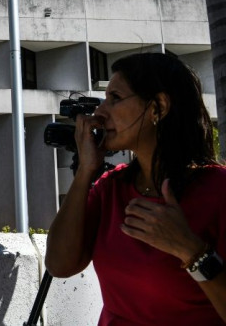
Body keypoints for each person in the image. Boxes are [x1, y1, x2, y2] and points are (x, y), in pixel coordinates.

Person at [45, 52, 226, 324]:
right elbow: (59, 265)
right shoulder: (111, 188)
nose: (100, 113)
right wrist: (85, 172)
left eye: (115, 99)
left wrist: (193, 252)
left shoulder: (218, 190)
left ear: (158, 107)